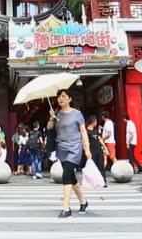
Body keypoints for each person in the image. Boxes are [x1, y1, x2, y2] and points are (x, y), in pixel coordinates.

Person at [49, 89, 91, 218]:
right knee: (71, 177)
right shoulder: (56, 114)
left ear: (70, 99)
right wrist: (51, 117)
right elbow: (50, 128)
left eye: (63, 96)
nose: (60, 99)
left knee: (66, 173)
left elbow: (83, 131)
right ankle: (83, 202)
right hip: (61, 147)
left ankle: (66, 208)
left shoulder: (77, 113)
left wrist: (87, 148)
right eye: (58, 97)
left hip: (74, 147)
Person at [86, 115, 108, 187]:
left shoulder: (96, 130)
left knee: (101, 165)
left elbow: (100, 139)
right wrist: (87, 151)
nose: (96, 123)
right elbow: (85, 142)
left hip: (99, 150)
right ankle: (93, 181)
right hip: (92, 150)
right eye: (95, 121)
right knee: (93, 166)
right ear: (93, 122)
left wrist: (105, 147)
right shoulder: (87, 131)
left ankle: (103, 181)